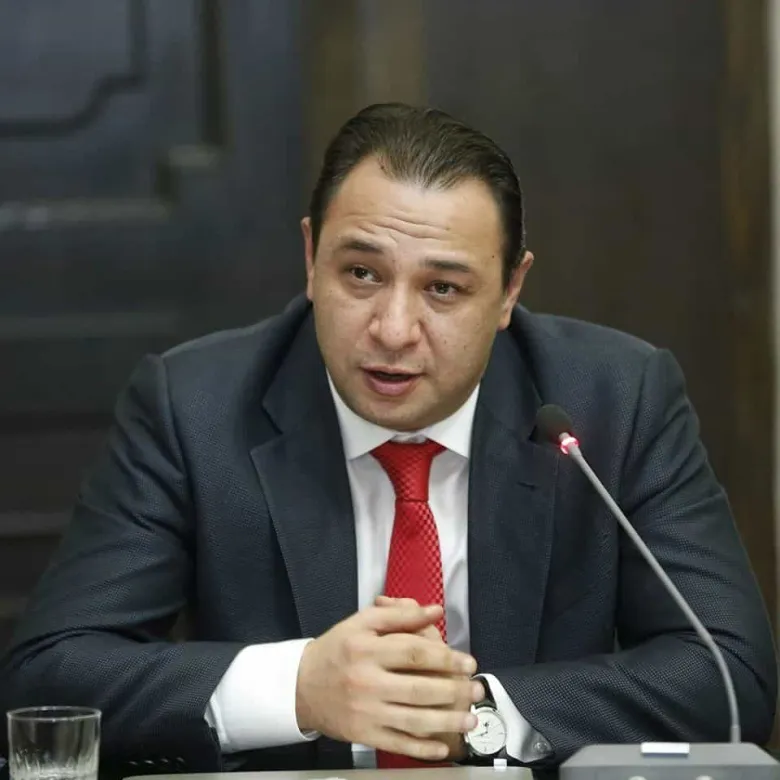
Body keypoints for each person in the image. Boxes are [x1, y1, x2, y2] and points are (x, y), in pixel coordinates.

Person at [0, 103, 776, 775]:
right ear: (311, 259)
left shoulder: (616, 400)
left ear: (510, 290)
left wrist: (476, 713)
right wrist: (299, 688)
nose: (394, 330)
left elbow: (728, 673)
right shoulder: (193, 407)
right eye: (362, 274)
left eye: (443, 288)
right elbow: (48, 679)